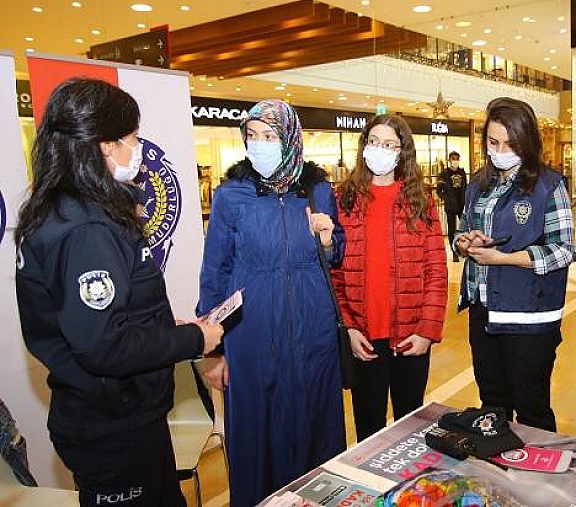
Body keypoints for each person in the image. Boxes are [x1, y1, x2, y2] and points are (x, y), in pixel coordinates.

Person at [14, 78, 223, 507]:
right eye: (133, 138)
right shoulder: (87, 228)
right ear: (107, 145)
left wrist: (162, 326)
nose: (137, 148)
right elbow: (104, 347)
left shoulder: (65, 210)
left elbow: (103, 317)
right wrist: (194, 339)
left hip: (121, 414)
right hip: (113, 425)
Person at [197, 100, 346, 506]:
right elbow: (214, 273)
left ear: (291, 139)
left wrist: (328, 239)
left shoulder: (317, 191)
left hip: (313, 333)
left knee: (316, 428)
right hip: (252, 336)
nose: (259, 144)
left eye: (270, 136)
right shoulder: (231, 196)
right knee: (257, 437)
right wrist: (213, 351)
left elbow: (336, 253)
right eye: (252, 136)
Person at [454, 97, 574, 432]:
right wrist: (465, 242)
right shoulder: (478, 184)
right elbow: (462, 230)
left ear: (527, 142)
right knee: (492, 405)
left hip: (527, 317)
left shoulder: (548, 185)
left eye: (510, 144)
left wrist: (504, 258)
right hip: (484, 311)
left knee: (532, 407)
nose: (500, 151)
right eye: (493, 142)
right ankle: (498, 462)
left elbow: (562, 250)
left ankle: (540, 464)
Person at [333, 115, 448, 441]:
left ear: (402, 152)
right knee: (368, 429)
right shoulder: (344, 199)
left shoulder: (420, 199)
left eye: (389, 144)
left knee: (410, 429)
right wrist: (349, 328)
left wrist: (426, 331)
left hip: (410, 337)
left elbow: (436, 270)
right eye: (373, 142)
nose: (379, 150)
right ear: (363, 146)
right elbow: (335, 274)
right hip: (364, 337)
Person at [437, 151, 468, 262]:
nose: (455, 161)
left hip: (462, 204)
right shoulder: (444, 174)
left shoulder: (462, 172)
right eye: (453, 158)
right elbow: (439, 190)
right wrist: (446, 199)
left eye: (457, 158)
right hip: (451, 206)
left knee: (465, 228)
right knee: (452, 229)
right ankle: (454, 252)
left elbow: (465, 187)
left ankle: (465, 249)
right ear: (449, 160)